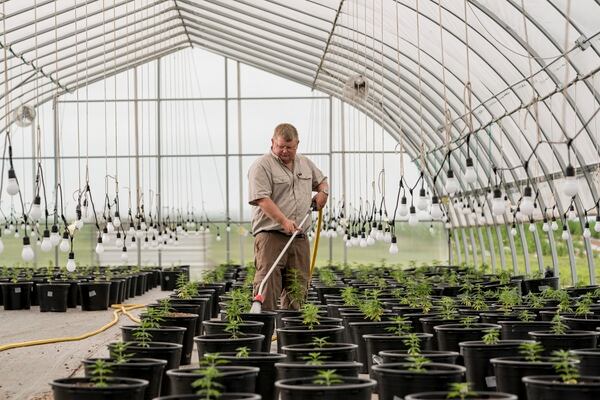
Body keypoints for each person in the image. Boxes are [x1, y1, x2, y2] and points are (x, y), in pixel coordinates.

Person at [247, 123, 329, 310]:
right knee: (267, 284)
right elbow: (261, 199)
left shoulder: (305, 163)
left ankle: (291, 333)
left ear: (297, 144)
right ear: (272, 142)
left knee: (298, 287)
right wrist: (284, 221)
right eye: (280, 146)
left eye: (289, 147)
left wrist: (323, 193)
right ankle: (265, 333)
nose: (284, 151)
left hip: (299, 237)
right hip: (271, 236)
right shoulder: (262, 166)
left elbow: (322, 182)